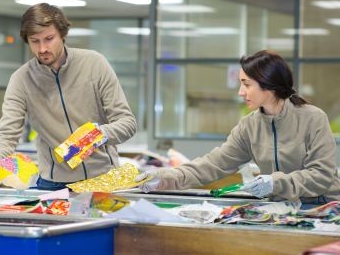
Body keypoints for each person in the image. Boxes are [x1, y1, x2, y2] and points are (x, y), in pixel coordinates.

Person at [137, 50, 340, 205]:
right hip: (283, 209)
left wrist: (274, 183)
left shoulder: (313, 118)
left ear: (268, 84)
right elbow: (213, 164)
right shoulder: (250, 126)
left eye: (246, 84)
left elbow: (321, 175)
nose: (241, 92)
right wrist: (162, 178)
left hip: (325, 208)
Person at [0, 3, 137, 190]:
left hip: (103, 180)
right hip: (53, 184)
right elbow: (7, 134)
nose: (42, 48)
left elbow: (127, 123)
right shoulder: (21, 79)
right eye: (35, 41)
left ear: (62, 35)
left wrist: (98, 135)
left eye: (49, 39)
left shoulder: (95, 63)